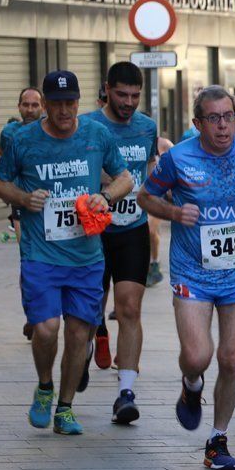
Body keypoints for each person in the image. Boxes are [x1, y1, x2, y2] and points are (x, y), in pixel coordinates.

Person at [137, 85, 235, 469]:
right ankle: (191, 386)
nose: (223, 126)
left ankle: (217, 438)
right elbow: (145, 197)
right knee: (197, 355)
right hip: (193, 270)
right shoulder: (177, 158)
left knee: (233, 359)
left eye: (229, 117)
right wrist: (173, 214)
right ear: (197, 123)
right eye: (213, 119)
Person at [0, 70, 133, 435]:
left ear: (79, 102)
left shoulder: (96, 134)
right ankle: (44, 386)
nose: (65, 111)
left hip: (86, 256)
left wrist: (106, 195)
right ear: (46, 105)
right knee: (47, 328)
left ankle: (65, 407)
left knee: (79, 334)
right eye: (57, 104)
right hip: (41, 253)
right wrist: (22, 198)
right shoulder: (23, 140)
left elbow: (125, 177)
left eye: (71, 103)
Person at [85, 62, 158, 422]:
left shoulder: (146, 127)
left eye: (135, 96)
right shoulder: (88, 125)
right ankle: (84, 347)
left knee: (129, 308)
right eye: (121, 95)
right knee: (87, 311)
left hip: (132, 228)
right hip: (93, 231)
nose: (129, 102)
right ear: (107, 89)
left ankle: (126, 393)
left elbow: (149, 169)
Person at [0, 87, 44, 241]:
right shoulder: (9, 132)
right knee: (25, 249)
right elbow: (0, 153)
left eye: (35, 105)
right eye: (25, 105)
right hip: (20, 198)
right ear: (19, 107)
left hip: (49, 199)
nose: (30, 110)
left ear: (43, 107)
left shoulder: (52, 130)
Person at [146, 136, 174, 287]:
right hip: (140, 194)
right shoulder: (132, 143)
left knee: (151, 230)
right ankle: (146, 263)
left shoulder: (163, 144)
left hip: (158, 195)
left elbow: (176, 164)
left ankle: (155, 264)